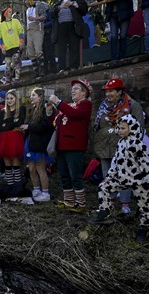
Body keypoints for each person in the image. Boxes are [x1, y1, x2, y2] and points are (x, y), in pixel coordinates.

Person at [92, 115, 149, 243]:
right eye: (118, 128)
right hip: (122, 178)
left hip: (139, 181)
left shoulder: (138, 144)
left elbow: (148, 164)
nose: (119, 130)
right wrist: (110, 177)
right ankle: (105, 210)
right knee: (103, 187)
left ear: (131, 128)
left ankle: (144, 227)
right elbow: (115, 162)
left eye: (123, 128)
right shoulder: (121, 143)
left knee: (145, 204)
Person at [92, 78, 145, 216]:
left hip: (124, 148)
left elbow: (139, 128)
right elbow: (98, 127)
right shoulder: (103, 107)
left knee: (124, 176)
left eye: (111, 91)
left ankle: (125, 205)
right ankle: (109, 204)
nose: (108, 94)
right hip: (104, 147)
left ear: (120, 91)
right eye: (107, 91)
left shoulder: (132, 105)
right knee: (107, 177)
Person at [49, 79, 93, 211]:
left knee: (75, 175)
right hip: (62, 146)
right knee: (64, 175)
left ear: (84, 93)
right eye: (72, 88)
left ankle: (80, 203)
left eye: (77, 88)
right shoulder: (69, 105)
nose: (72, 90)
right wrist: (50, 112)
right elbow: (57, 122)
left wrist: (58, 102)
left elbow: (74, 114)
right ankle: (69, 201)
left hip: (75, 146)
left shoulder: (86, 105)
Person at [20, 88, 55, 201]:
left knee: (40, 168)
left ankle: (45, 193)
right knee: (31, 168)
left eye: (33, 95)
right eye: (31, 95)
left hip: (40, 144)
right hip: (30, 143)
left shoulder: (46, 109)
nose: (31, 97)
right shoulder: (33, 110)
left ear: (40, 97)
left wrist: (29, 127)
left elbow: (46, 127)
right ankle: (36, 189)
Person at [0, 89, 27, 185]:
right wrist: (11, 123)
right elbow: (0, 126)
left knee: (15, 160)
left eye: (11, 98)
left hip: (15, 138)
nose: (9, 100)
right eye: (7, 98)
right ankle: (10, 185)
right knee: (7, 161)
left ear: (16, 99)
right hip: (4, 139)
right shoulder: (3, 112)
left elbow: (19, 122)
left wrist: (7, 124)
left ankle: (17, 185)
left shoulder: (21, 109)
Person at [51, 0, 88, 71]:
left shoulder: (76, 1)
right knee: (61, 49)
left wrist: (73, 4)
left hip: (73, 26)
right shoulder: (58, 3)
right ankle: (61, 68)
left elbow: (84, 10)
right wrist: (60, 7)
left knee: (74, 47)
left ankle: (74, 67)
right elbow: (51, 14)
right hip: (61, 28)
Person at [0, 7, 25, 83]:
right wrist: (2, 47)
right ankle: (7, 79)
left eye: (11, 12)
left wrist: (21, 42)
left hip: (16, 46)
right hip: (7, 48)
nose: (11, 13)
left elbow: (20, 32)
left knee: (17, 61)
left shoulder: (16, 21)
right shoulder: (1, 25)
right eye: (9, 12)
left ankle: (17, 78)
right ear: (5, 14)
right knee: (8, 64)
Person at [25, 0, 49, 78]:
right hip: (29, 31)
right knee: (30, 52)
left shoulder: (39, 5)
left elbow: (44, 16)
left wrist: (35, 18)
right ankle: (36, 71)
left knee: (38, 50)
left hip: (37, 29)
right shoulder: (28, 9)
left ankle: (42, 70)